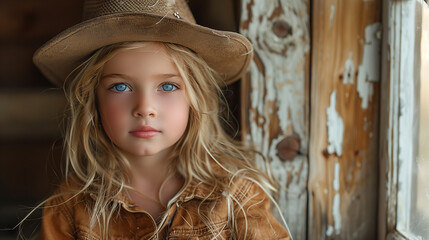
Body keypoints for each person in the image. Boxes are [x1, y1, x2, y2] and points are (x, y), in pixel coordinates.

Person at [32, 0, 291, 239]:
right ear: (93, 100)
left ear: (195, 96)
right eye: (120, 87)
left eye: (167, 87)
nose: (145, 108)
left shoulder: (235, 197)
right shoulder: (69, 208)